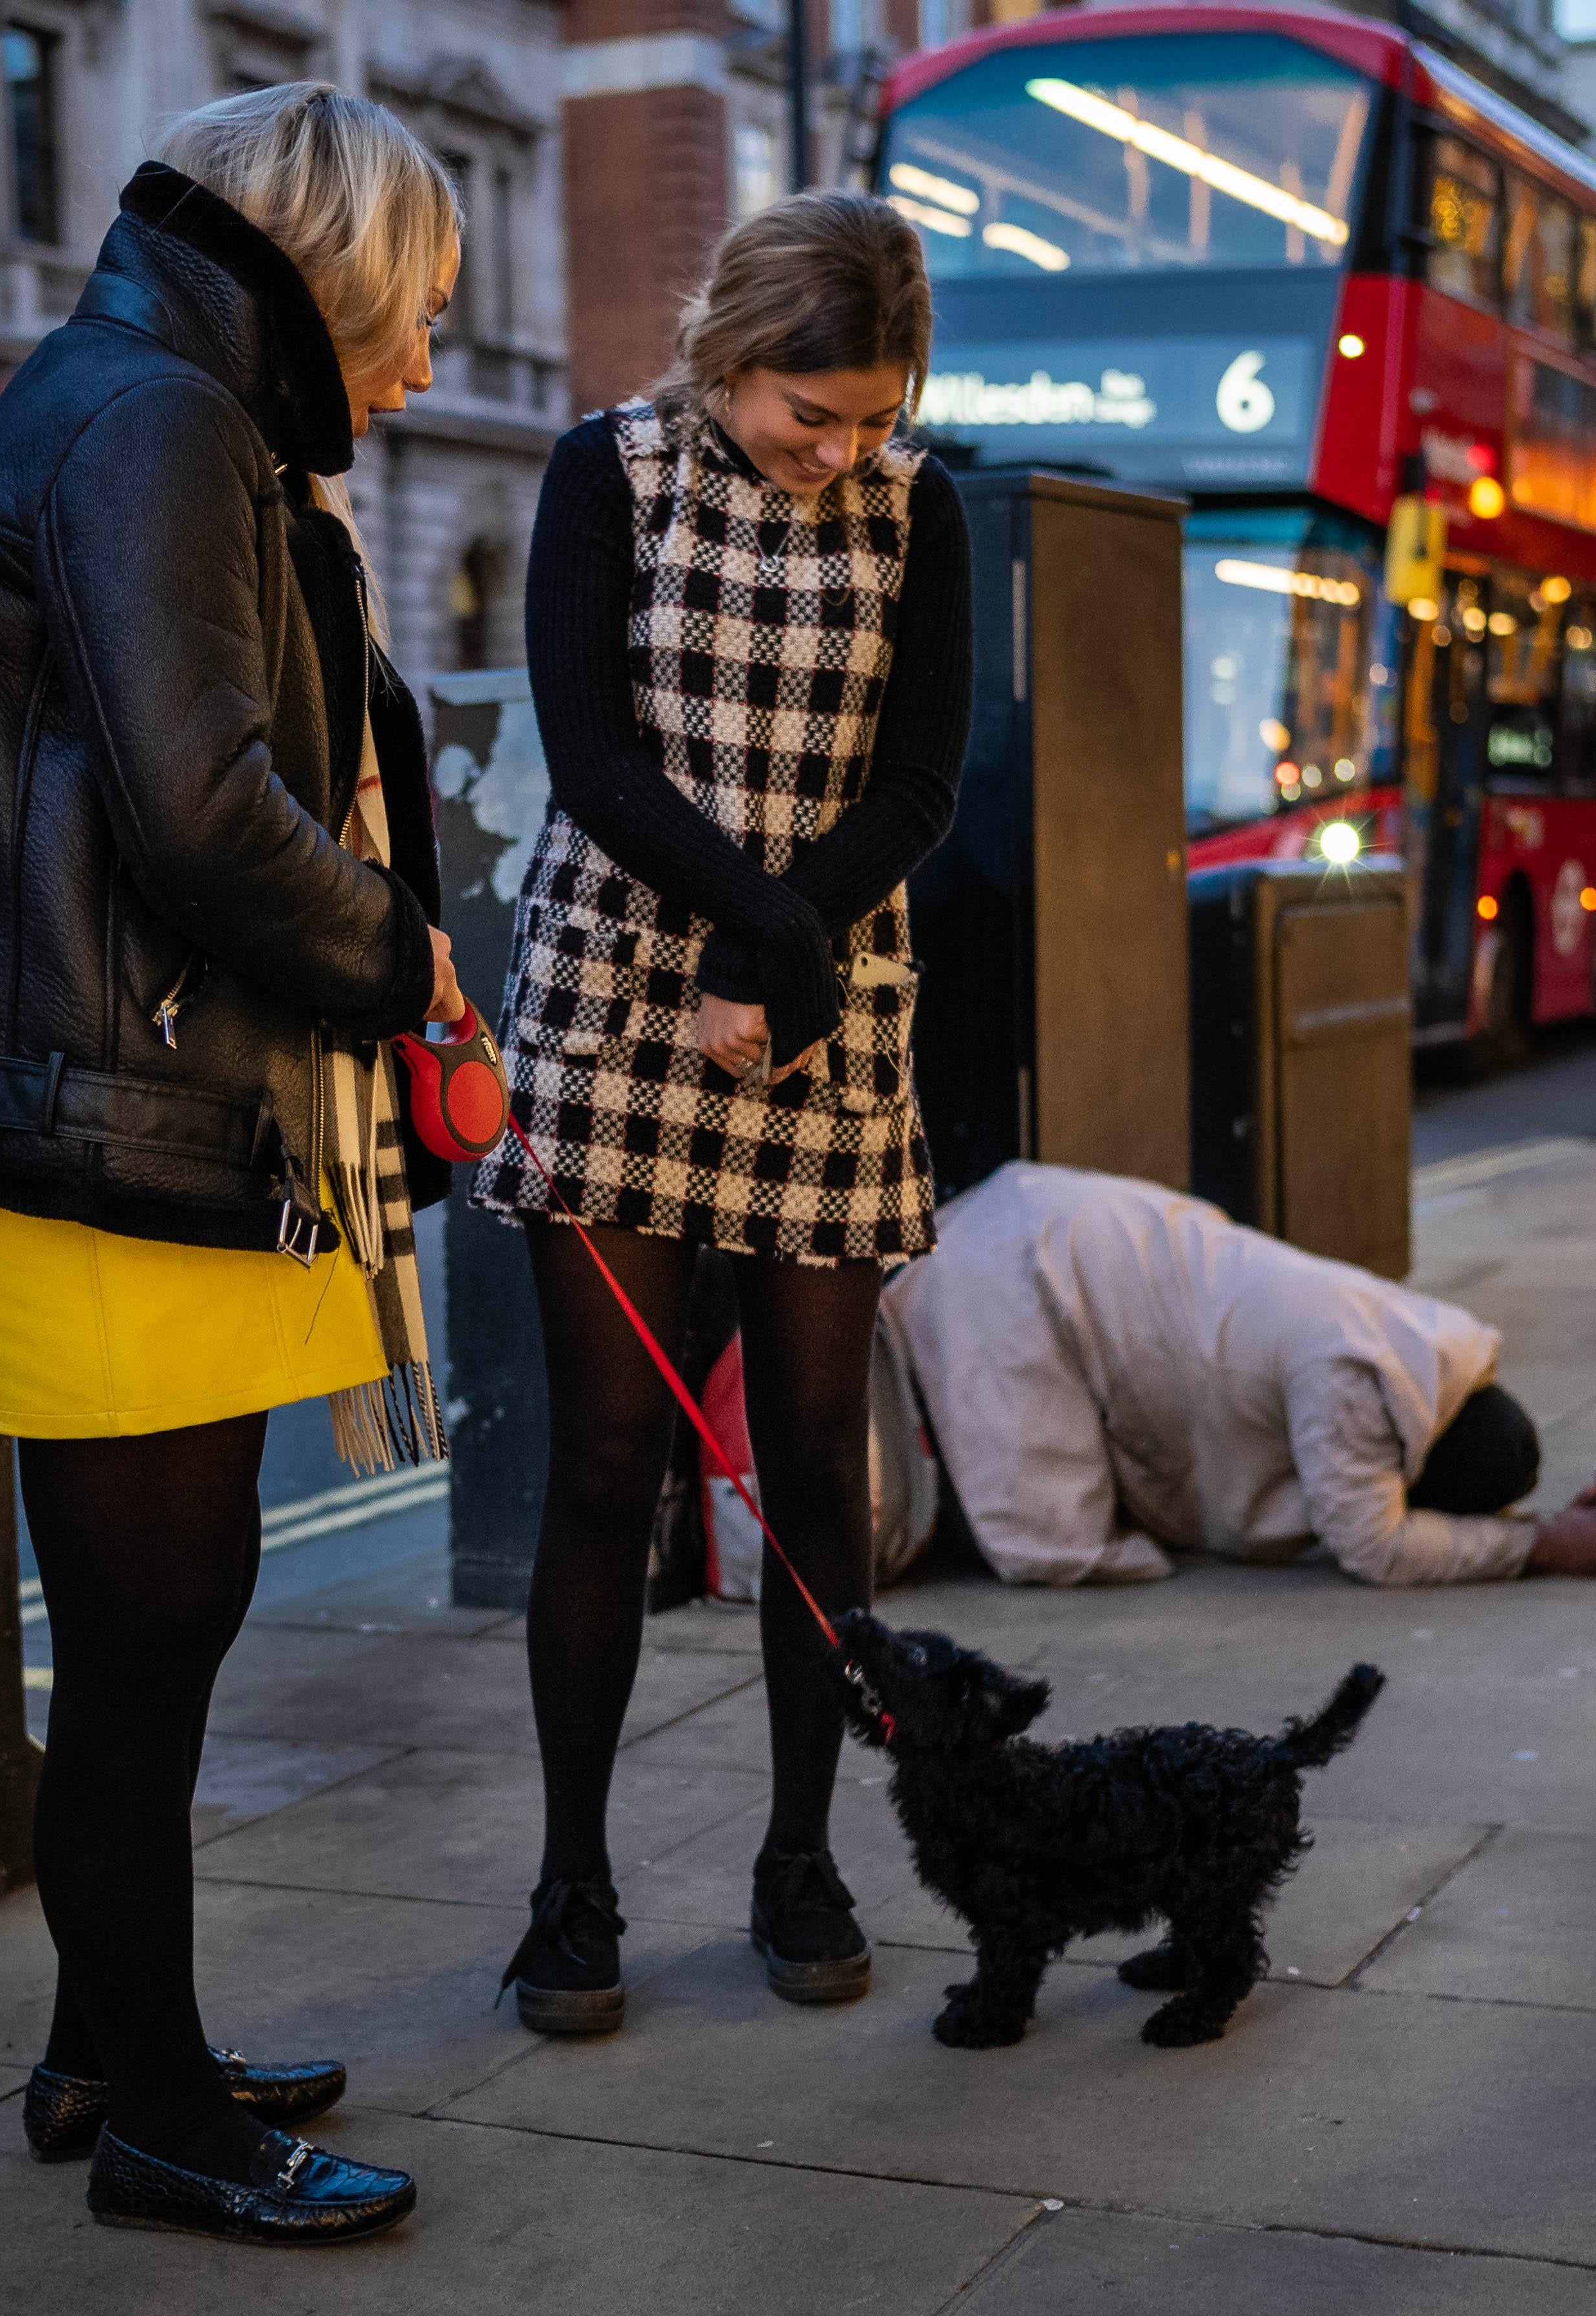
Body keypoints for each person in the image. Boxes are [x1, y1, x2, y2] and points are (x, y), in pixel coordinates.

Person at [0, 86, 466, 2245]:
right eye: (409, 319)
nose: (416, 370)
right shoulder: (154, 426)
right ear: (325, 280)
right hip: (102, 1130)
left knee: (158, 1634)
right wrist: (412, 964)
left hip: (109, 1116)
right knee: (148, 1641)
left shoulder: (138, 403)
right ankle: (159, 2118)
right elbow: (207, 811)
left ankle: (107, 2048)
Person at [472, 193, 971, 2029]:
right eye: (809, 412)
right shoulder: (607, 475)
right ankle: (573, 1885)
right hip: (618, 998)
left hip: (829, 1005)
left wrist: (791, 947)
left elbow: (923, 778)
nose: (844, 453)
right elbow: (590, 753)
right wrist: (758, 927)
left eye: (874, 417)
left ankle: (801, 1855)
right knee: (611, 1461)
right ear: (730, 356)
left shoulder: (927, 508)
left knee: (817, 1463)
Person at [884, 1166, 1596, 1588]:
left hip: (1056, 1222)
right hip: (1026, 1274)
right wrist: (1536, 1548)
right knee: (1059, 1541)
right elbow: (1375, 1546)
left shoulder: (1424, 1349)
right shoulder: (1355, 1381)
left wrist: (1525, 1529)